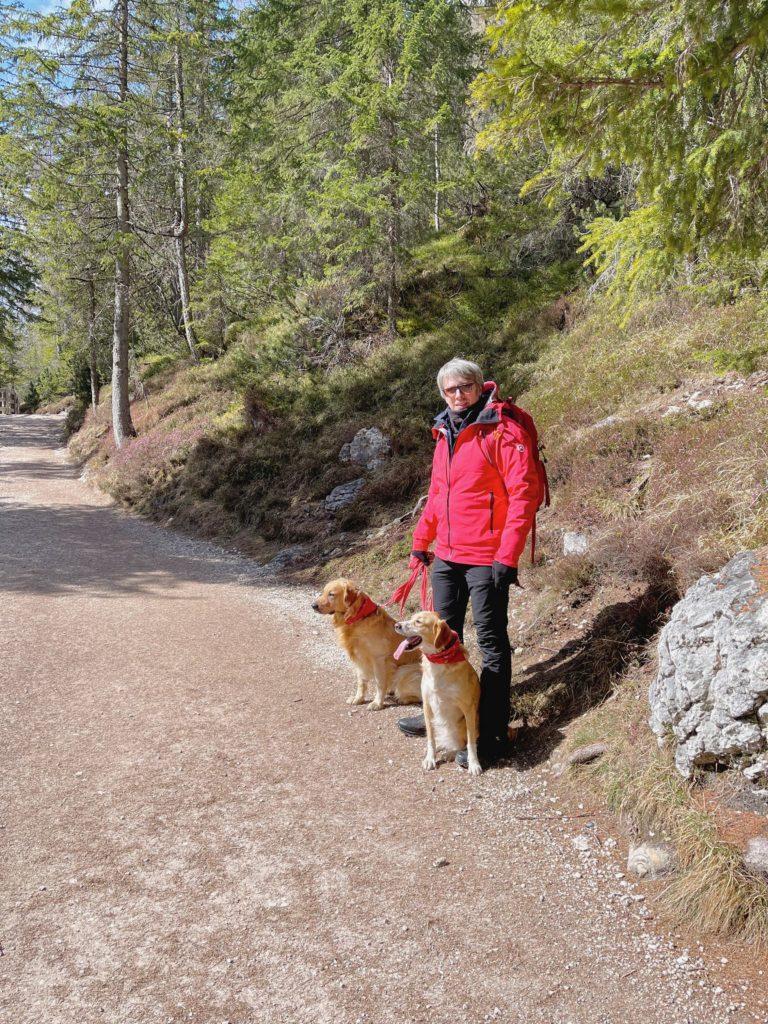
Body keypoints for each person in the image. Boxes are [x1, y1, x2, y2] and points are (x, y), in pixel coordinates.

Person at [398, 358, 541, 767]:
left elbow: (523, 495)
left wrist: (507, 555)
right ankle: (444, 720)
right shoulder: (444, 430)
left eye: (464, 387)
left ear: (480, 387)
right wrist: (421, 541)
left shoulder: (502, 430)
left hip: (487, 558)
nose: (458, 395)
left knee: (492, 642)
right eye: (450, 390)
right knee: (442, 637)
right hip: (446, 554)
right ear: (442, 394)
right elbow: (437, 492)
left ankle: (491, 731)